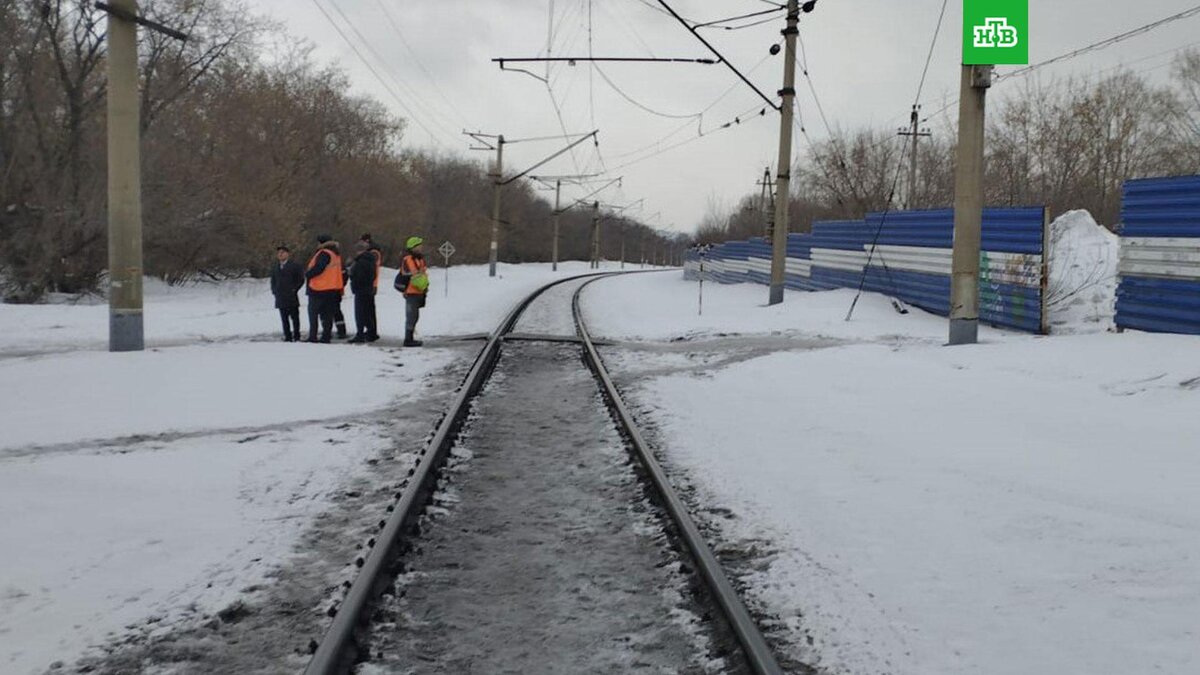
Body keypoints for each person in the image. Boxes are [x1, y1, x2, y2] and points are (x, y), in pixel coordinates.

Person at [304, 234, 343, 343]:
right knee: (327, 315)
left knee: (313, 313)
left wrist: (308, 274)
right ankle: (326, 336)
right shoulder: (335, 253)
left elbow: (319, 268)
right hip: (332, 288)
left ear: (321, 243)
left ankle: (313, 336)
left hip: (318, 288)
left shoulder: (324, 253)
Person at [269, 246, 304, 342]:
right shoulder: (275, 267)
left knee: (295, 318)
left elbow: (301, 279)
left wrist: (294, 289)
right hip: (280, 296)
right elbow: (273, 280)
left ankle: (297, 335)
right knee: (284, 318)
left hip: (291, 296)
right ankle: (287, 336)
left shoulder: (294, 266)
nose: (280, 254)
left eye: (283, 252)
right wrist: (274, 290)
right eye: (279, 253)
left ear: (287, 254)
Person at [399, 236, 429, 347]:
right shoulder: (408, 259)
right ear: (413, 247)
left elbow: (422, 274)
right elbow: (414, 274)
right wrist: (422, 281)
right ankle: (408, 339)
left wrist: (425, 286)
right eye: (419, 246)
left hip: (419, 291)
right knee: (411, 316)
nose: (421, 247)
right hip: (411, 292)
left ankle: (410, 338)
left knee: (415, 316)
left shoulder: (420, 259)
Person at [347, 240, 379, 343]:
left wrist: (353, 278)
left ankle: (360, 334)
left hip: (361, 290)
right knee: (369, 312)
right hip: (369, 289)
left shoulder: (360, 262)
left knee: (360, 313)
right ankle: (371, 332)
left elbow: (358, 276)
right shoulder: (371, 260)